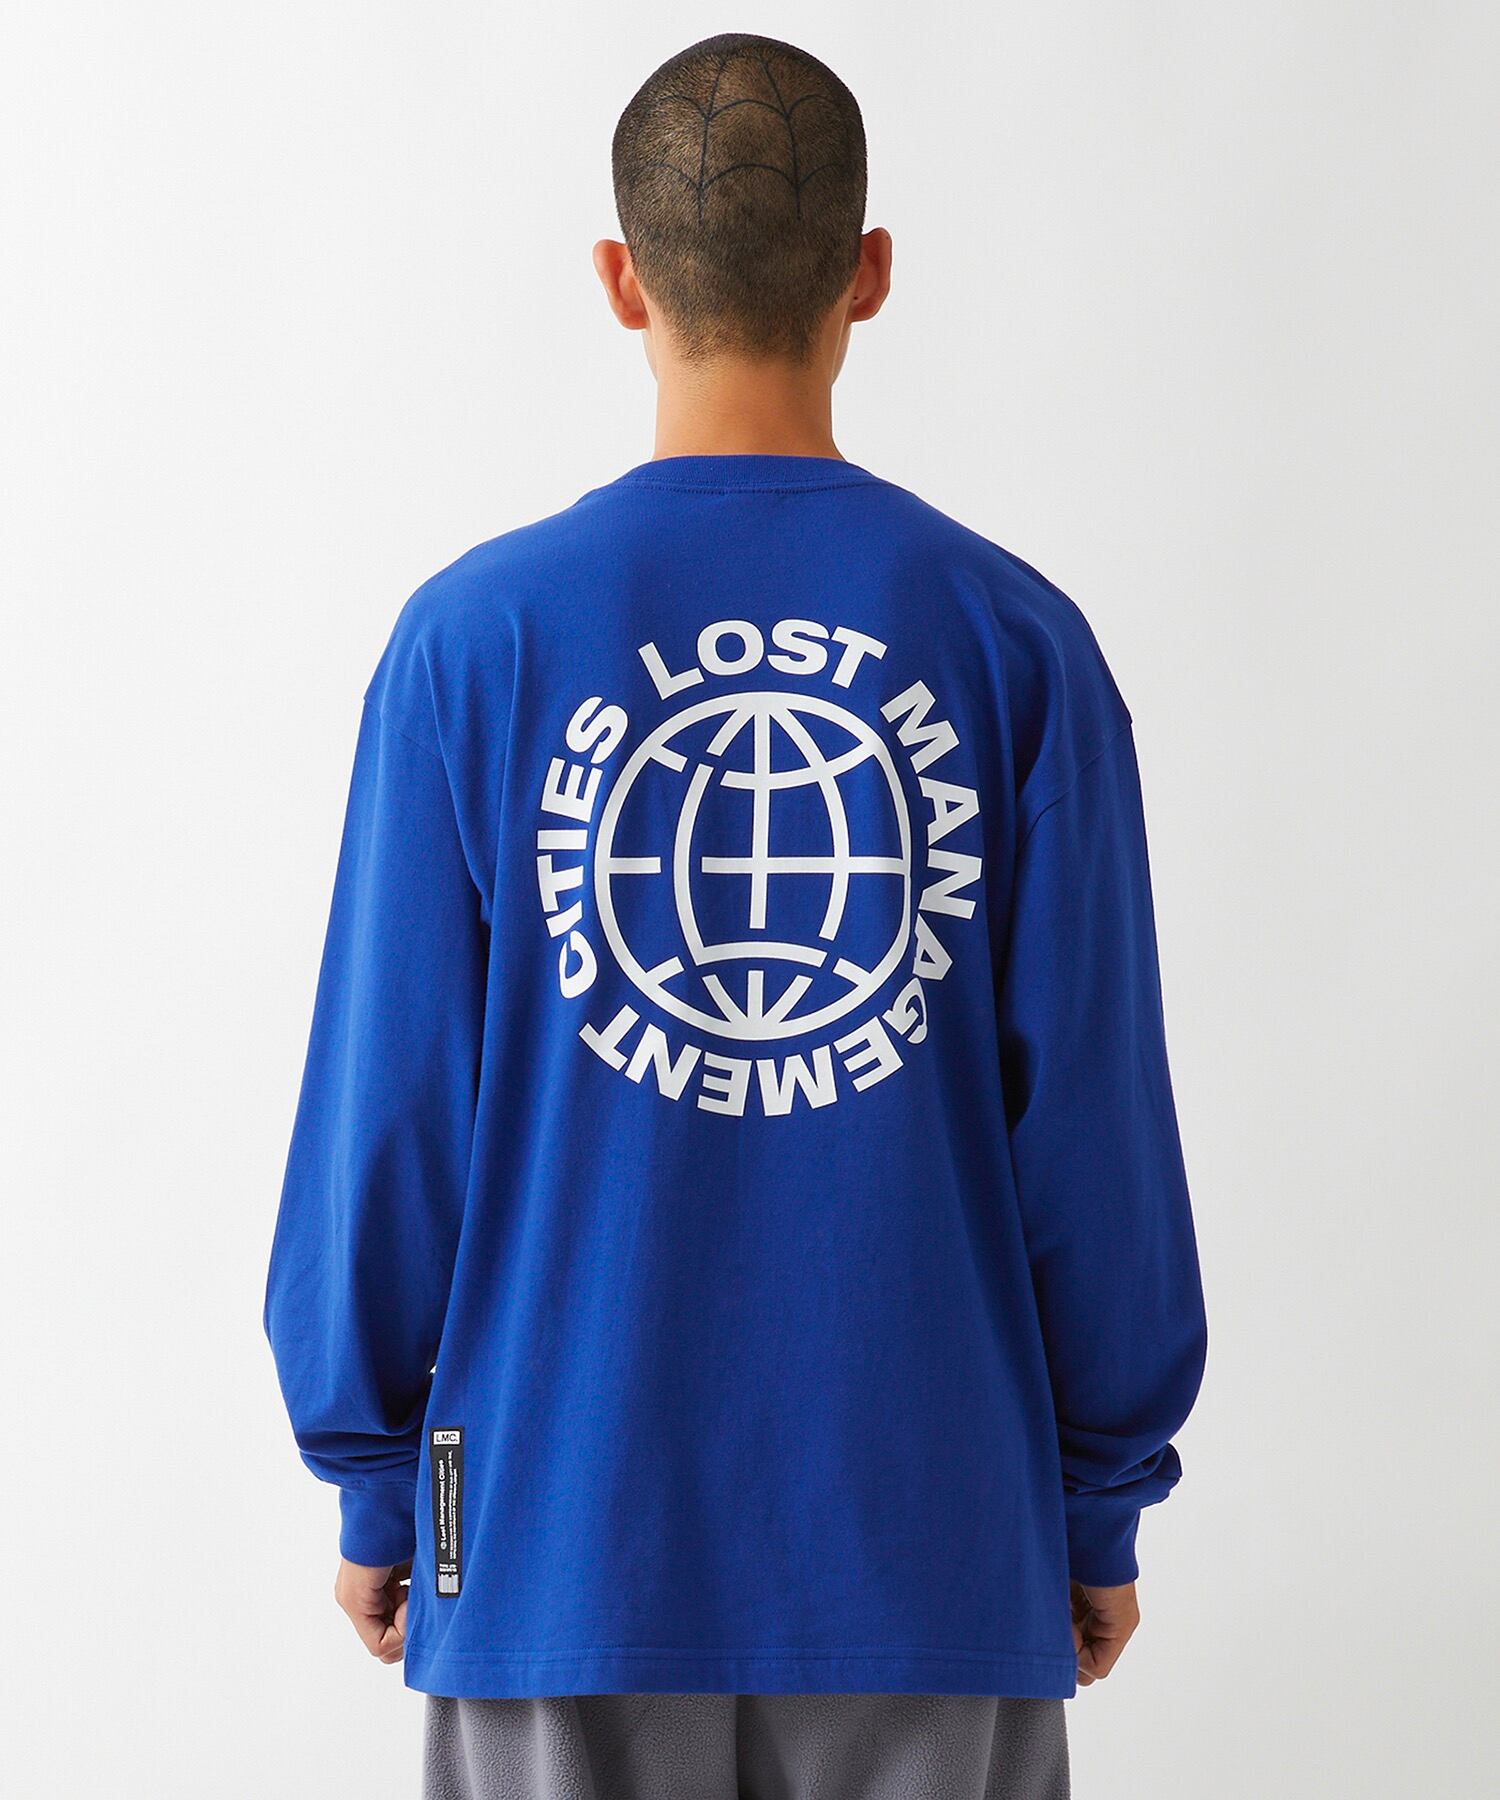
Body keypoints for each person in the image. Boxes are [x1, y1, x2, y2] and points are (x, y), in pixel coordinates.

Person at [264, 31, 1207, 1800]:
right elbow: (1095, 1131)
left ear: (621, 281)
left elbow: (386, 1120)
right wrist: (1094, 1508)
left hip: (547, 1545)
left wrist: (386, 1489)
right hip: (935, 1556)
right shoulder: (1016, 644)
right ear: (872, 272)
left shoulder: (473, 645)